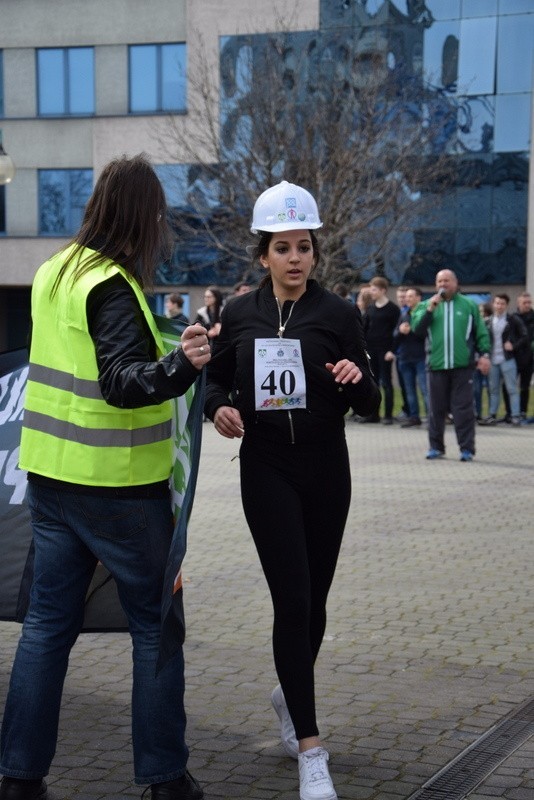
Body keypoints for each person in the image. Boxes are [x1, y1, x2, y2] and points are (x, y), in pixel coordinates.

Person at [0, 155, 209, 800]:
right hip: (117, 488)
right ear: (143, 215)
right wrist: (182, 366)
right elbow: (122, 383)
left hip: (51, 481)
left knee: (46, 627)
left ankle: (18, 776)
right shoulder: (111, 285)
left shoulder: (55, 271)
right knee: (156, 628)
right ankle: (165, 780)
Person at [204, 180, 380, 800]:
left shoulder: (337, 315)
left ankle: (289, 690)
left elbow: (371, 402)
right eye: (283, 248)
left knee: (318, 602)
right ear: (263, 256)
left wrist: (357, 378)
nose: (296, 258)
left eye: (304, 246)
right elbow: (215, 382)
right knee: (293, 600)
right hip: (268, 468)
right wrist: (218, 407)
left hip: (328, 468)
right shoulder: (240, 314)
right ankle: (311, 749)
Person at [411, 269, 491, 462]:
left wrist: (485, 354)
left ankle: (466, 449)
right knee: (435, 410)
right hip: (436, 366)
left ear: (455, 283)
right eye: (439, 281)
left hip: (462, 366)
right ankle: (436, 447)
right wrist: (430, 309)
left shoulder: (469, 305)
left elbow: (480, 332)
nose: (443, 285)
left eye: (447, 281)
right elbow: (417, 331)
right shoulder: (424, 305)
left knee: (463, 410)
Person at [478, 293, 527, 427]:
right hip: (493, 360)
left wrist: (513, 345)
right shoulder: (488, 321)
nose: (499, 306)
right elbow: (482, 339)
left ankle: (515, 416)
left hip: (507, 359)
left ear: (506, 305)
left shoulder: (512, 320)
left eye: (502, 304)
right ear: (493, 304)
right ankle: (492, 415)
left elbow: (524, 335)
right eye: (497, 303)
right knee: (493, 389)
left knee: (512, 388)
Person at [361, 276, 400, 424]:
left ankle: (388, 415)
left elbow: (396, 332)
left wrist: (392, 350)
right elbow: (364, 329)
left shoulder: (393, 309)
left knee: (386, 382)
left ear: (383, 290)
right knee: (373, 382)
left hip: (385, 350)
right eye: (371, 289)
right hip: (371, 349)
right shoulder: (370, 308)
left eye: (374, 289)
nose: (372, 292)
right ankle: (374, 415)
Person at [393, 287, 428, 427]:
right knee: (409, 390)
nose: (407, 299)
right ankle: (414, 417)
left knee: (425, 390)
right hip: (405, 357)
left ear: (419, 298)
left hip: (420, 357)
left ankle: (431, 417)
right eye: (406, 297)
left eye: (411, 296)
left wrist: (411, 330)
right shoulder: (404, 313)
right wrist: (400, 331)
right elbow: (395, 335)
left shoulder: (424, 312)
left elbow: (424, 333)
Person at [513, 291, 534, 419]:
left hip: (530, 359)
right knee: (509, 386)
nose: (527, 305)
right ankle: (511, 412)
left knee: (525, 387)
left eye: (529, 302)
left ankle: (523, 412)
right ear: (518, 303)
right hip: (514, 358)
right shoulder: (513, 317)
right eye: (524, 302)